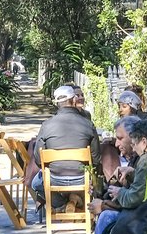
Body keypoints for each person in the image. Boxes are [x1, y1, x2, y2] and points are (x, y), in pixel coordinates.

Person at [71, 115, 142, 234]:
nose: (117, 144)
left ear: (135, 138)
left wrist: (103, 206)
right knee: (109, 217)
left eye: (120, 138)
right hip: (141, 214)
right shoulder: (136, 160)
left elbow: (135, 200)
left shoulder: (145, 161)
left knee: (108, 218)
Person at [31, 84, 100, 219]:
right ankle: (74, 202)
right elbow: (96, 158)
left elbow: (38, 158)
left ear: (57, 104)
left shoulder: (47, 125)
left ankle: (63, 204)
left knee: (36, 183)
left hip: (55, 178)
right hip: (82, 177)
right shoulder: (87, 124)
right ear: (73, 100)